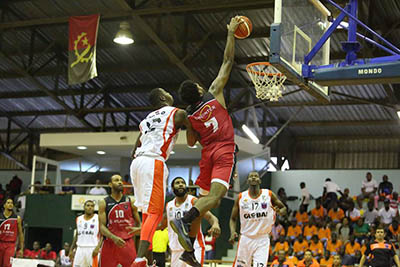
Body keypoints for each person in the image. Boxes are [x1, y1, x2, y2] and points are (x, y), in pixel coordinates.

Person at [171, 16, 243, 256]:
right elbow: (228, 60)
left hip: (207, 153)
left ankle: (189, 249)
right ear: (199, 90)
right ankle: (185, 220)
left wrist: (191, 126)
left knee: (206, 201)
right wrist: (231, 33)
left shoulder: (189, 116)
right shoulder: (213, 93)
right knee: (214, 197)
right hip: (223, 148)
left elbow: (192, 142)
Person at [130, 87, 196, 267]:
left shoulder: (146, 120)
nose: (170, 93)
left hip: (136, 164)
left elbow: (133, 149)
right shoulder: (177, 113)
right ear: (162, 97)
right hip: (153, 162)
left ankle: (147, 260)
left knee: (146, 214)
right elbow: (192, 141)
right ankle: (138, 259)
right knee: (155, 213)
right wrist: (190, 125)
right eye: (167, 92)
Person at [229, 171, 286, 267]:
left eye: (256, 176)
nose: (254, 178)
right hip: (246, 238)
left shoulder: (268, 194)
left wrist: (280, 212)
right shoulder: (241, 197)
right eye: (251, 176)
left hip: (262, 239)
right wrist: (232, 232)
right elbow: (233, 219)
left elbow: (283, 208)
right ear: (247, 181)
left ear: (259, 180)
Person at [165, 177, 220, 267]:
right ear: (172, 188)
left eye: (183, 182)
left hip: (194, 247)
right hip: (176, 249)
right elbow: (163, 224)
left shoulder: (194, 201)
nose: (181, 184)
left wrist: (215, 224)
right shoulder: (169, 205)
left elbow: (211, 217)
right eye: (177, 183)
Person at [98, 174, 141, 267]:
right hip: (110, 243)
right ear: (110, 184)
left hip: (127, 243)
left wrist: (137, 230)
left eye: (121, 180)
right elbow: (101, 227)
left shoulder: (131, 201)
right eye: (116, 180)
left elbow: (140, 224)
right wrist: (114, 237)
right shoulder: (104, 202)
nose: (120, 182)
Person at [69, 200, 102, 267]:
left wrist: (98, 248)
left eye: (92, 206)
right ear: (84, 207)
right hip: (80, 249)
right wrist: (71, 249)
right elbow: (77, 235)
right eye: (88, 205)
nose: (90, 207)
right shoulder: (79, 219)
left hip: (92, 248)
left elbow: (103, 235)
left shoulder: (98, 218)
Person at [0, 198, 24, 267]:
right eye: (8, 203)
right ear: (4, 205)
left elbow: (21, 234)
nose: (10, 204)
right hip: (1, 242)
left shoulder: (17, 218)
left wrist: (21, 249)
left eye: (11, 203)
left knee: (7, 265)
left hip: (10, 245)